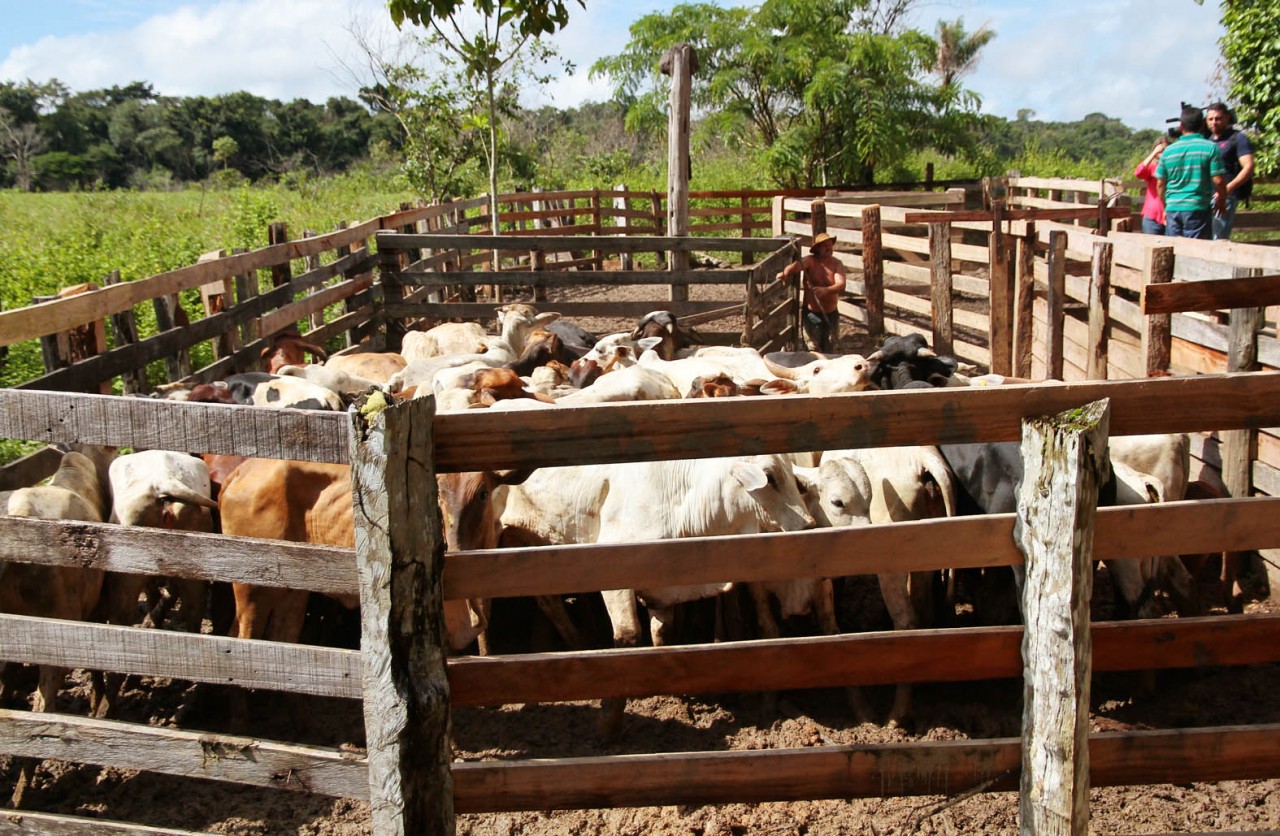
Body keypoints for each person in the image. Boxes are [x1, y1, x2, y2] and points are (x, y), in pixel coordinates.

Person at [1155, 106, 1227, 240]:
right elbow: (1219, 181)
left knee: (1174, 250)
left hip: (1173, 209)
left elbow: (1160, 184)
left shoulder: (1168, 151)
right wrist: (1221, 202)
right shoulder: (1210, 148)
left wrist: (1165, 207)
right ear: (1202, 125)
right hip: (1198, 208)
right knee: (1196, 253)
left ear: (1181, 126)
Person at [776, 231, 846, 353]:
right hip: (811, 313)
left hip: (831, 313)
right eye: (825, 245)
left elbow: (841, 285)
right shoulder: (810, 261)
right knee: (812, 348)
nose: (829, 248)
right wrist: (786, 272)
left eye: (830, 245)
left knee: (830, 345)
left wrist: (827, 290)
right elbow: (795, 266)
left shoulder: (837, 264)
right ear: (818, 248)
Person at [1206, 102, 1255, 240]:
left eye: (1218, 118)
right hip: (1206, 194)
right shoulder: (1207, 141)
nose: (1214, 122)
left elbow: (1248, 167)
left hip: (1226, 195)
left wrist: (1228, 189)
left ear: (1227, 117)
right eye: (1210, 119)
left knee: (1218, 238)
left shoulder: (1238, 139)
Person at [1134, 132, 1173, 235]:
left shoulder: (1174, 168)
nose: (1163, 153)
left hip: (1171, 213)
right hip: (1152, 215)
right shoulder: (1152, 168)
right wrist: (1154, 153)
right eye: (1161, 151)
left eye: (1165, 150)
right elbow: (1138, 172)